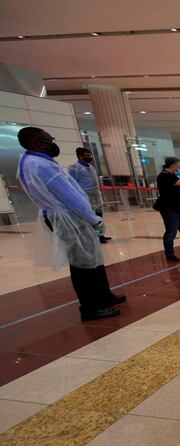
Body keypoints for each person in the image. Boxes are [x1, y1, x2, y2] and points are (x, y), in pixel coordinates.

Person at [16, 127, 125, 321]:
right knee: (82, 264)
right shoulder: (42, 165)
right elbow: (71, 197)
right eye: (47, 139)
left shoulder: (30, 161)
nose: (51, 143)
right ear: (36, 143)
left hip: (65, 215)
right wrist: (93, 218)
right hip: (69, 217)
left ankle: (104, 295)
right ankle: (91, 307)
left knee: (93, 258)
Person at [68, 147, 110, 243]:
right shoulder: (74, 168)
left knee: (99, 214)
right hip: (85, 194)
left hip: (96, 193)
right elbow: (72, 183)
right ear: (80, 156)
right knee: (90, 215)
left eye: (90, 155)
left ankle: (100, 234)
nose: (90, 157)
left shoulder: (92, 167)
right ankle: (92, 237)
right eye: (87, 156)